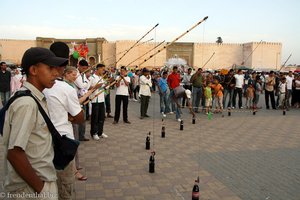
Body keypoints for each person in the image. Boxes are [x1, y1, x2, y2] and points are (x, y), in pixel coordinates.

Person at [2, 47, 68, 199]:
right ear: (33, 70)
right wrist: (42, 189)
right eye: (50, 68)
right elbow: (15, 153)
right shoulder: (26, 103)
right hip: (31, 187)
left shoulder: (34, 98)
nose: (56, 73)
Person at [89, 63, 108, 140]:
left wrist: (108, 84)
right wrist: (99, 85)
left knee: (101, 117)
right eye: (102, 69)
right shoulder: (92, 77)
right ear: (98, 69)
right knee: (95, 117)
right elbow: (90, 88)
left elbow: (103, 87)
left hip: (101, 99)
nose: (103, 71)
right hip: (94, 100)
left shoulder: (102, 77)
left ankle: (100, 132)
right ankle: (94, 133)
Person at [74, 59, 90, 141]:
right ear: (79, 66)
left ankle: (82, 135)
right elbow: (81, 85)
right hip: (77, 98)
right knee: (78, 118)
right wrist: (87, 83)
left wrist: (86, 83)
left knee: (83, 117)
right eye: (83, 68)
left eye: (86, 68)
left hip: (83, 97)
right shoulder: (76, 74)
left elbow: (86, 84)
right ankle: (77, 136)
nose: (85, 70)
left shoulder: (82, 74)